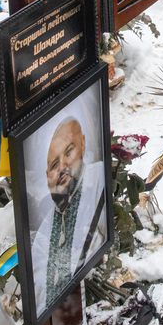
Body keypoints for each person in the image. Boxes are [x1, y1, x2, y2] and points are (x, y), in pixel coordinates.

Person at [31, 114, 107, 312]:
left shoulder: (99, 179)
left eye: (69, 152)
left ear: (83, 144)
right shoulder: (44, 234)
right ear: (47, 176)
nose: (63, 167)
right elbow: (40, 297)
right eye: (54, 165)